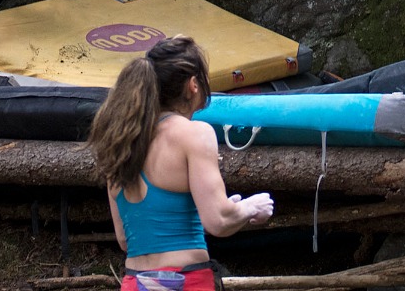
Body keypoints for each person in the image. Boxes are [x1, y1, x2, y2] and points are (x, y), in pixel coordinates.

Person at [87, 37, 275, 290]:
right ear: (193, 84)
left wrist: (220, 210)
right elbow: (219, 221)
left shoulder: (120, 144)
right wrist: (251, 207)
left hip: (135, 282)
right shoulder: (194, 133)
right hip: (185, 281)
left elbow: (125, 239)